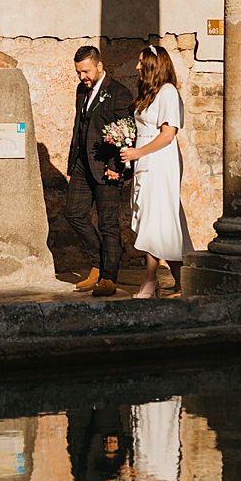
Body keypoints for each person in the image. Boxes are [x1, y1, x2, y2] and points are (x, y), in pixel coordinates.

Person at [118, 44, 193, 299]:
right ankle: (184, 278)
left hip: (160, 160)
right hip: (145, 160)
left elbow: (168, 134)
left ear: (154, 66)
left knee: (154, 216)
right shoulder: (150, 93)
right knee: (163, 217)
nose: (137, 67)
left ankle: (150, 280)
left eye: (142, 62)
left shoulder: (168, 93)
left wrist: (139, 152)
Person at [66, 44, 134, 297]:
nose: (82, 77)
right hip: (83, 163)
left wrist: (117, 167)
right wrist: (74, 160)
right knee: (73, 213)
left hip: (108, 168)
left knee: (108, 224)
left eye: (85, 71)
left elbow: (126, 133)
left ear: (99, 66)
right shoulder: (81, 91)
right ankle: (98, 262)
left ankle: (108, 278)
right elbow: (79, 126)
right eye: (78, 72)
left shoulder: (118, 93)